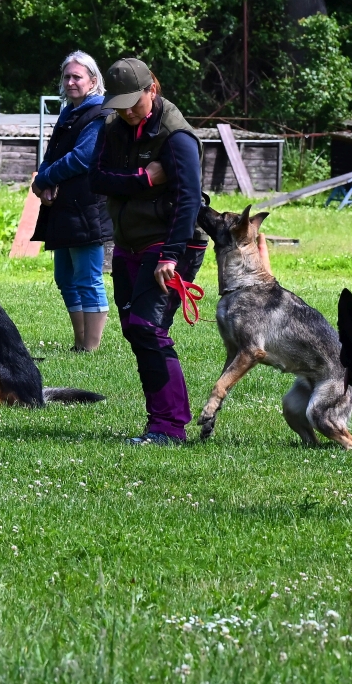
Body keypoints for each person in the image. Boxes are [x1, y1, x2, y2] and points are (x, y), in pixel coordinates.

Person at [89, 58, 205, 445]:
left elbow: (189, 200)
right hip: (128, 242)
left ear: (151, 90)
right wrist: (141, 179)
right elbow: (97, 178)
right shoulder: (112, 127)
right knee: (134, 329)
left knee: (148, 328)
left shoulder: (177, 137)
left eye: (132, 102)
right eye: (118, 103)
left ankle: (169, 428)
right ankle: (160, 421)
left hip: (170, 242)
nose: (124, 111)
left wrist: (172, 256)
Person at [32, 51, 111, 354]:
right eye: (67, 76)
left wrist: (44, 178)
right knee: (65, 277)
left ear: (93, 80)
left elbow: (83, 157)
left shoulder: (99, 113)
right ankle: (79, 342)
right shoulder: (69, 113)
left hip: (87, 207)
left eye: (77, 76)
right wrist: (45, 177)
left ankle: (90, 347)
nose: (70, 82)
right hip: (65, 207)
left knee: (88, 277)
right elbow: (53, 154)